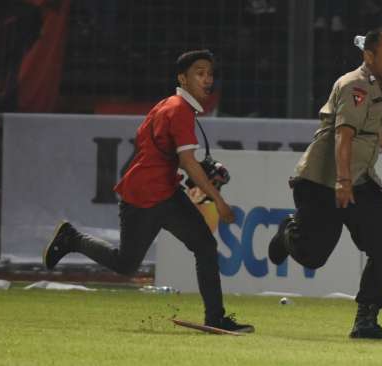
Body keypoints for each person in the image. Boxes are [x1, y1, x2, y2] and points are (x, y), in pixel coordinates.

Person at [43, 50, 254, 333]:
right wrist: (219, 201)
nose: (207, 79)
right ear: (183, 78)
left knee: (204, 245)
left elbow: (162, 150)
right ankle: (72, 238)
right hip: (144, 195)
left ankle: (215, 317)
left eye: (210, 74)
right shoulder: (179, 110)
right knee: (126, 264)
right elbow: (188, 162)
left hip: (165, 191)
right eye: (199, 73)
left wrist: (192, 172)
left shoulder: (171, 105)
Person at [268, 28, 382, 340]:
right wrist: (342, 181)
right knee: (313, 256)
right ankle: (287, 233)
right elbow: (343, 135)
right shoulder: (354, 86)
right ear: (369, 56)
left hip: (358, 180)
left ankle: (366, 319)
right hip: (322, 180)